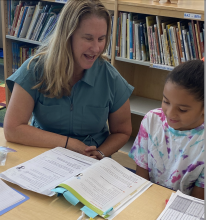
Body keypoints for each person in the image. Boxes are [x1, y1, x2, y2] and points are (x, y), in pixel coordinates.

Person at [4, 0, 134, 160]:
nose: (96, 48)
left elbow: (122, 131)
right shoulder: (35, 69)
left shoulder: (110, 77)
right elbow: (12, 129)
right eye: (88, 38)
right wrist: (69, 144)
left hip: (90, 161)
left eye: (101, 39)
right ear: (67, 36)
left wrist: (100, 153)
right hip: (44, 156)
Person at [129, 60, 204, 199]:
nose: (170, 113)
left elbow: (198, 198)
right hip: (148, 197)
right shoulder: (151, 120)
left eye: (182, 109)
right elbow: (141, 174)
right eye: (166, 101)